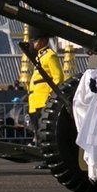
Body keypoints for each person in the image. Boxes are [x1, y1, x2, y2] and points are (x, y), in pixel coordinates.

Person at [25, 25, 63, 168]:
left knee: (47, 135)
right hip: (35, 103)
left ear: (43, 40)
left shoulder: (50, 56)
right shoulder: (39, 58)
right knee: (39, 134)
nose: (33, 43)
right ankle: (45, 158)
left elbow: (58, 78)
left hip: (44, 102)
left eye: (35, 40)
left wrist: (50, 98)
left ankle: (51, 160)